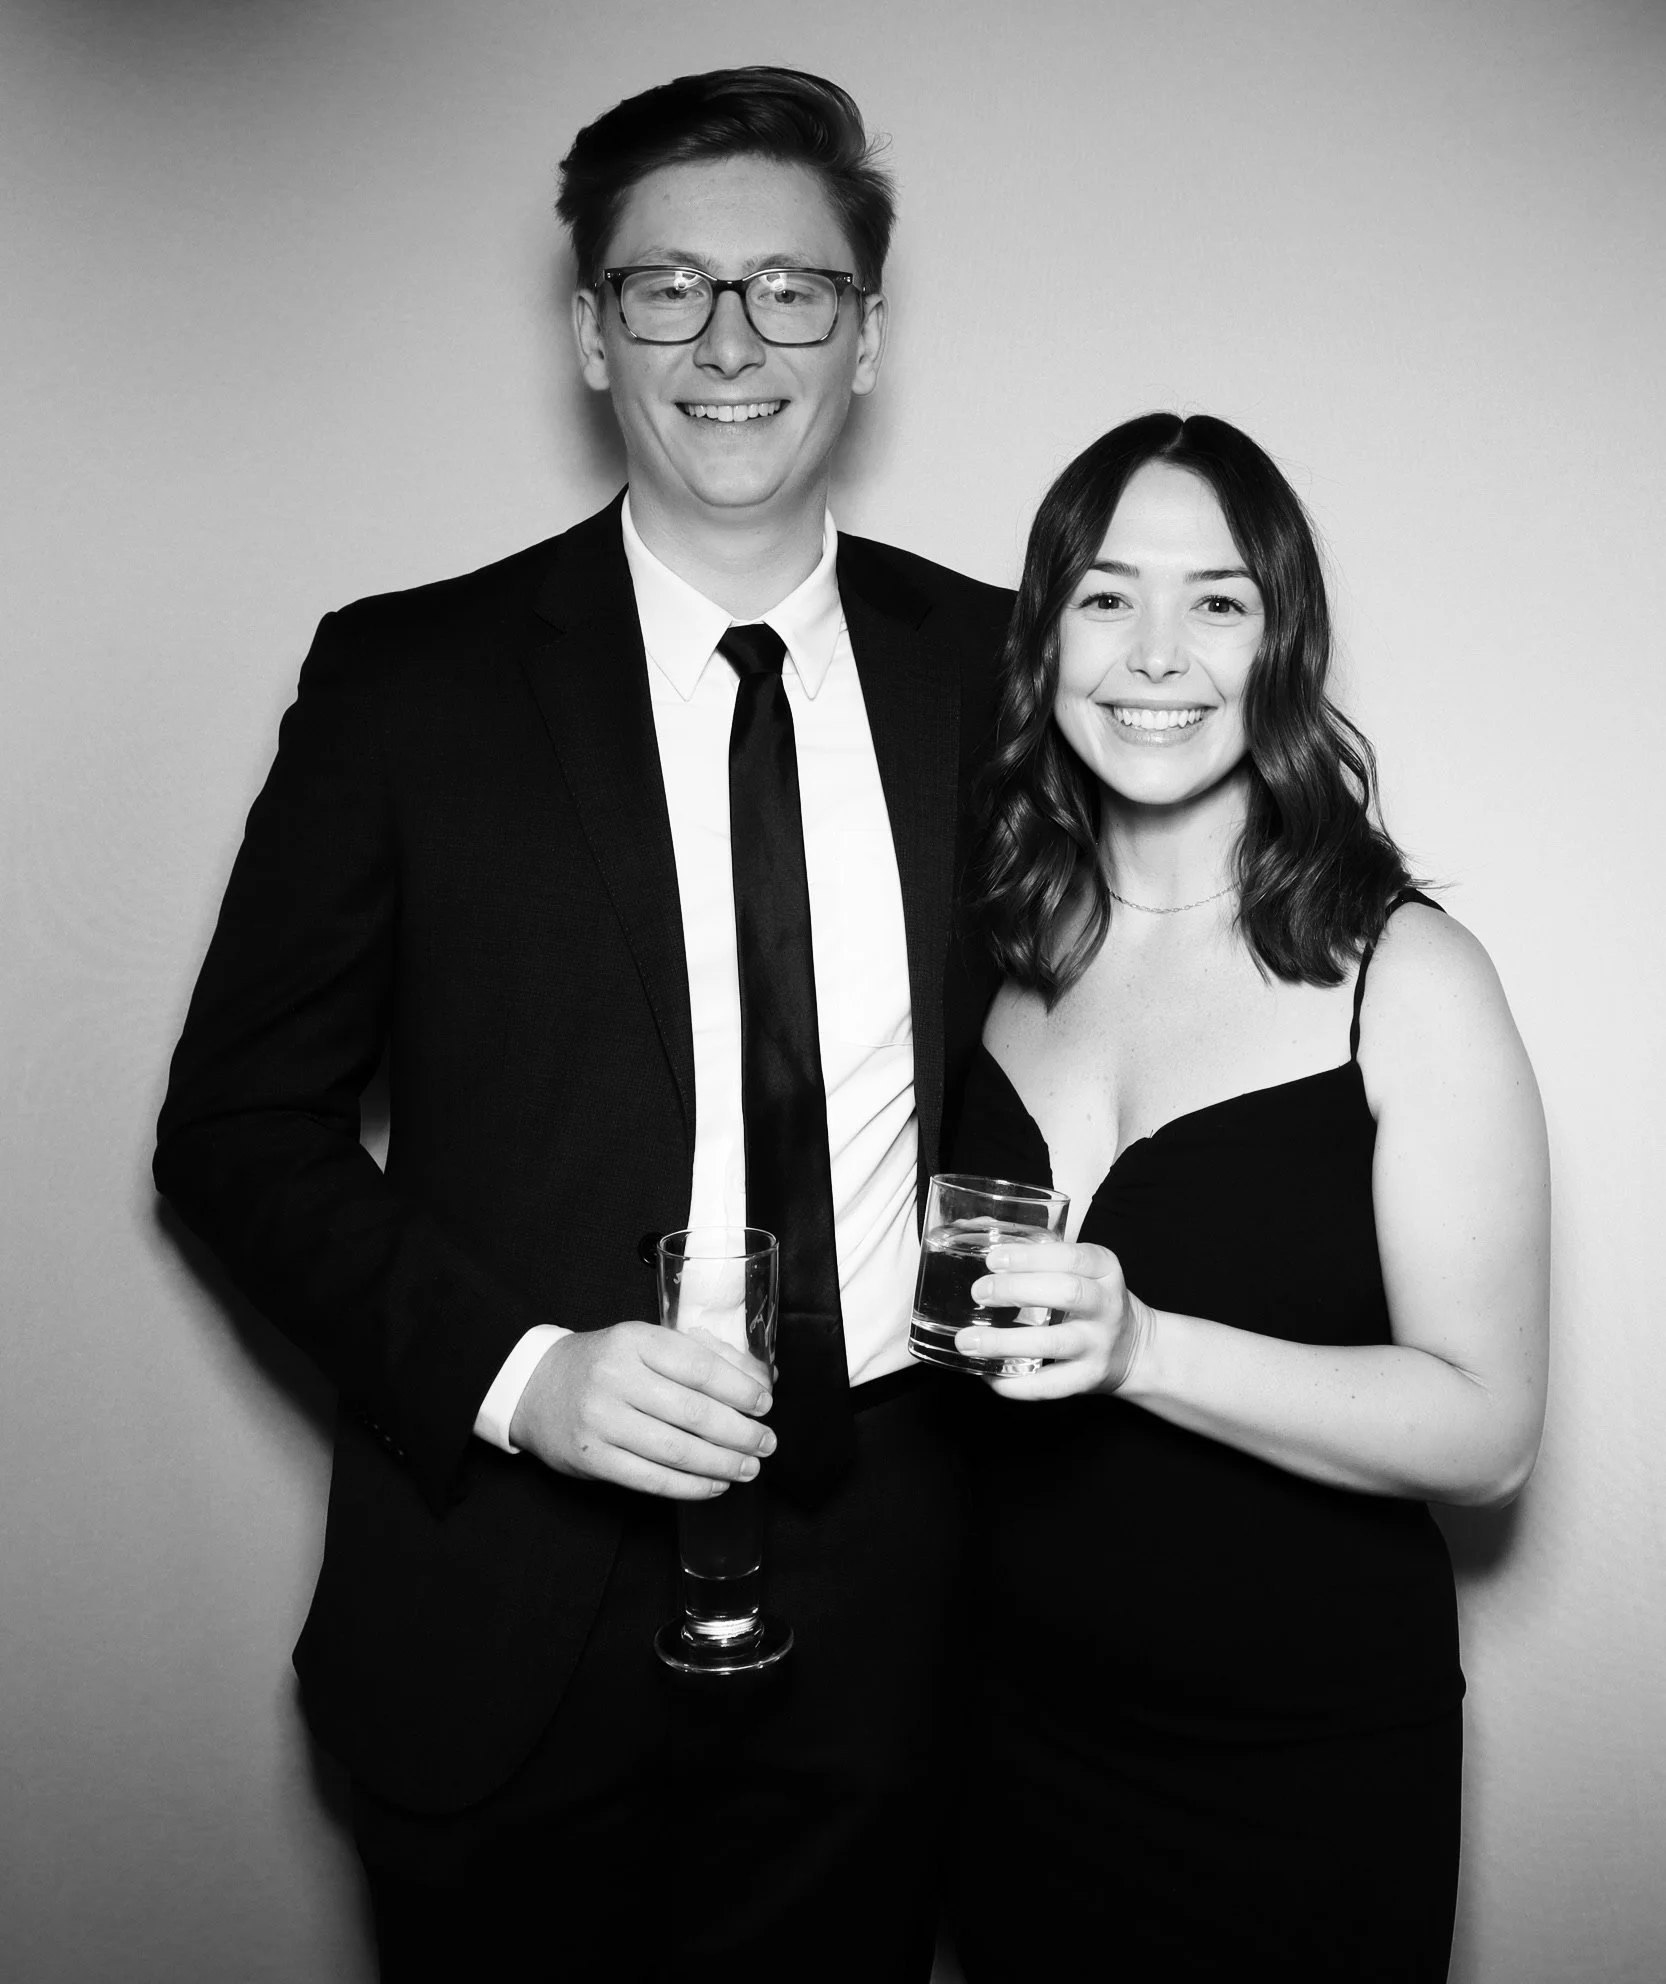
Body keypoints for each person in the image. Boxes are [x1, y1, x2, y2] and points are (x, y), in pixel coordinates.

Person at [153, 68, 1010, 1982]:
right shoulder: (406, 682)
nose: (730, 341)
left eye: (793, 291)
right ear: (586, 328)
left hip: (885, 1622)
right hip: (500, 1621)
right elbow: (233, 1134)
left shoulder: (999, 667)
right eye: (666, 287)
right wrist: (520, 1377)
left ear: (864, 340)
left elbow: (1095, 1035)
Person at [941, 413, 1550, 1981]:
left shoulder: (1406, 978)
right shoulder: (984, 960)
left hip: (1299, 1767)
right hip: (997, 1741)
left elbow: (1488, 1434)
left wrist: (1146, 1349)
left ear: (1283, 642)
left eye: (1216, 600)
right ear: (1045, 637)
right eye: (1104, 597)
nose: (1157, 654)